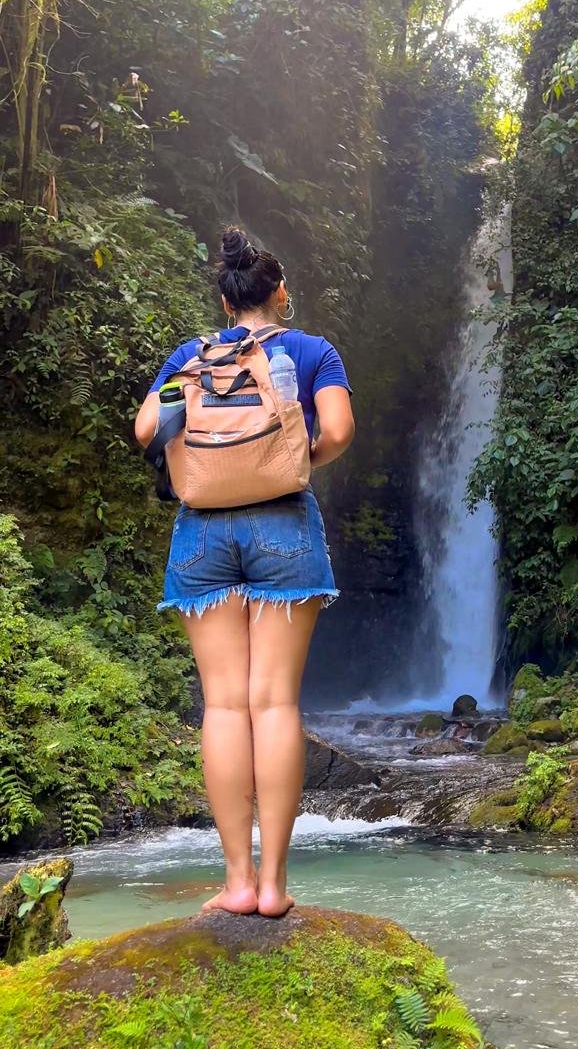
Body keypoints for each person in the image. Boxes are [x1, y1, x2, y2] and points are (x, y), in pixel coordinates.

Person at [134, 227, 354, 917]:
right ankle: (273, 888)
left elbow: (147, 429)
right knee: (274, 704)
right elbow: (338, 432)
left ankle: (233, 882)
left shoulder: (191, 357)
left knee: (224, 705)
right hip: (284, 523)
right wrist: (288, 461)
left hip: (202, 531)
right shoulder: (310, 351)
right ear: (278, 292)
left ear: (225, 300)